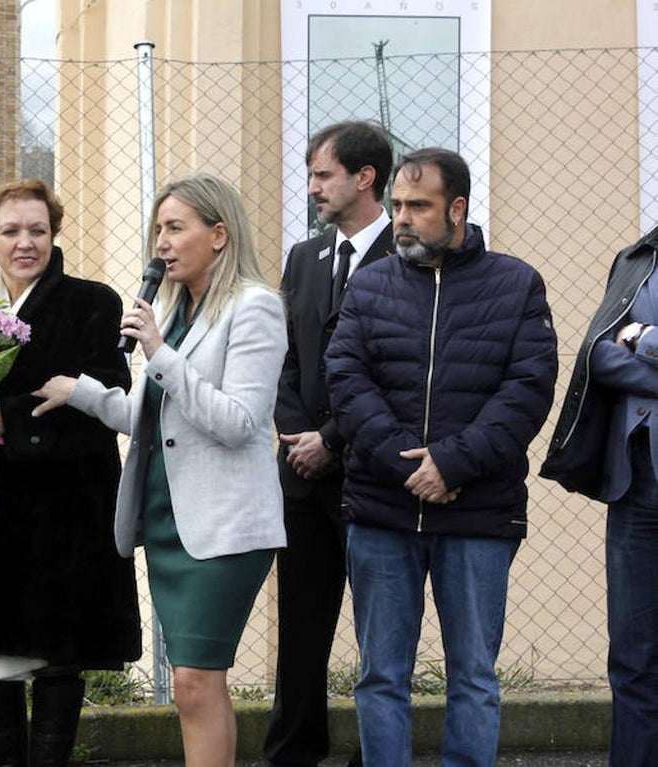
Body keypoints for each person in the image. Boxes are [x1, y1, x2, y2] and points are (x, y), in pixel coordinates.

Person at [34, 173, 286, 767]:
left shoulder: (254, 307)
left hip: (221, 527)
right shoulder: (178, 313)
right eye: (158, 230)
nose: (162, 244)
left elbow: (238, 422)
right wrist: (81, 393)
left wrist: (158, 352)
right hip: (168, 520)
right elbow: (151, 418)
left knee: (198, 681)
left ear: (219, 234)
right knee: (190, 685)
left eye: (176, 228)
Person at [324, 149, 558, 766]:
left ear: (457, 208)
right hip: (382, 510)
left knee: (474, 678)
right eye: (397, 205)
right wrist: (412, 468)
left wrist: (452, 464)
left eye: (417, 207)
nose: (401, 218)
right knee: (380, 676)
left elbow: (528, 389)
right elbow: (346, 381)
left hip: (477, 512)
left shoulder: (516, 283)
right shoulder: (370, 284)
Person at [0, 179, 141, 767]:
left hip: (65, 510)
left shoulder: (92, 302)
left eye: (38, 230)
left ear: (54, 233)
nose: (26, 243)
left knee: (57, 658)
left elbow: (109, 399)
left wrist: (10, 412)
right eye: (11, 231)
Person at [265, 120, 393, 767]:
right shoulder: (305, 257)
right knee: (301, 629)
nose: (312, 187)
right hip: (300, 475)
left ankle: (378, 753)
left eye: (323, 175)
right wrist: (297, 438)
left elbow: (398, 373)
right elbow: (285, 358)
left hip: (369, 475)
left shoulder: (404, 256)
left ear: (364, 177)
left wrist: (333, 440)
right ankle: (293, 750)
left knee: (380, 633)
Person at [540, 224, 658, 766]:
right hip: (636, 483)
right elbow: (596, 355)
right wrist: (624, 349)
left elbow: (620, 350)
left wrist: (640, 340)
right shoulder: (637, 258)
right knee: (632, 657)